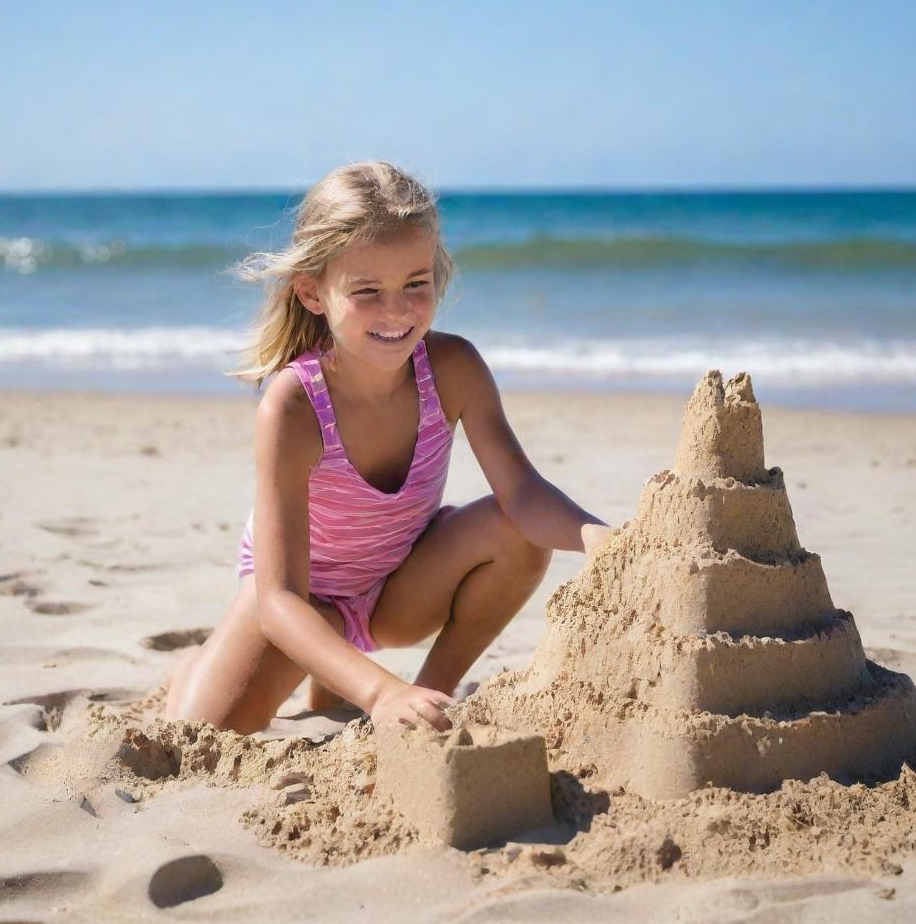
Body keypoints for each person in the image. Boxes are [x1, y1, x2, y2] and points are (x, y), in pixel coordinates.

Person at [164, 161, 614, 735]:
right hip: (302, 603)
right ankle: (197, 670)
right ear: (313, 292)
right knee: (203, 731)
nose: (397, 311)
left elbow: (522, 492)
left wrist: (595, 536)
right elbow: (278, 601)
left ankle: (432, 696)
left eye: (415, 285)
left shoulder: (454, 369)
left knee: (516, 533)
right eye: (367, 291)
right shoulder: (294, 406)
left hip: (399, 590)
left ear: (437, 276)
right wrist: (378, 691)